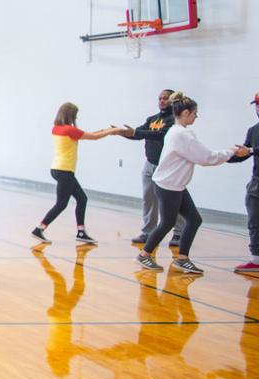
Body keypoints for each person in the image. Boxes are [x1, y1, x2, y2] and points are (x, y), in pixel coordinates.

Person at [138, 93, 250, 274]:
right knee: (167, 223)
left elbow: (204, 156)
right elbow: (206, 158)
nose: (196, 117)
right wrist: (231, 151)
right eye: (195, 113)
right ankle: (144, 254)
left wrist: (228, 153)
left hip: (176, 185)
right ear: (186, 112)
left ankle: (182, 258)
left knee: (194, 220)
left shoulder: (177, 130)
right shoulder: (182, 134)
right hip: (169, 186)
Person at [31, 103, 122, 245]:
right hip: (65, 170)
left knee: (82, 199)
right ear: (70, 115)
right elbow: (93, 137)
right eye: (75, 115)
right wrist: (113, 131)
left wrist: (107, 129)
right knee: (61, 204)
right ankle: (39, 228)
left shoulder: (57, 128)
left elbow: (89, 133)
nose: (76, 117)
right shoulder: (69, 130)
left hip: (57, 168)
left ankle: (81, 232)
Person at [121, 89, 186, 247]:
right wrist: (122, 132)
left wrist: (136, 131)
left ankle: (178, 233)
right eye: (160, 98)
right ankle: (148, 231)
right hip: (149, 165)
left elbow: (159, 134)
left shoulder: (174, 120)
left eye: (165, 98)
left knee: (171, 201)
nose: (162, 101)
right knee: (148, 199)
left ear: (172, 101)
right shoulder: (152, 119)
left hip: (166, 167)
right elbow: (140, 134)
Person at [231, 92, 259, 275]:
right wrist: (222, 156)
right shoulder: (253, 130)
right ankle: (256, 260)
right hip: (257, 184)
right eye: (256, 105)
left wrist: (249, 149)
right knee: (254, 221)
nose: (258, 108)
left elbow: (250, 150)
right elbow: (245, 153)